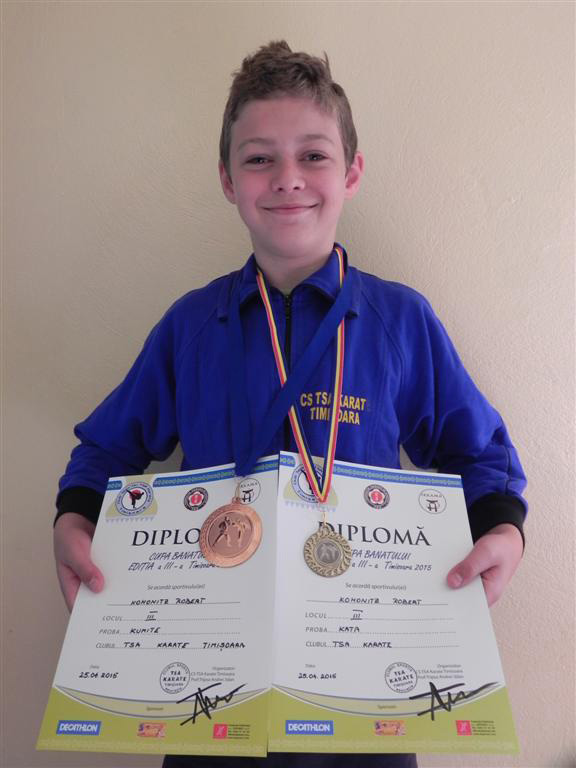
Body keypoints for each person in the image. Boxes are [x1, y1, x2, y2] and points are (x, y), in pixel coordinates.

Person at [53, 41, 527, 768]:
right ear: (226, 179)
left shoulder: (401, 321)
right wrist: (76, 519)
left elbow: (479, 453)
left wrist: (502, 531)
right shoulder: (191, 325)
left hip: (365, 696)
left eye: (313, 155)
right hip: (211, 691)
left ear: (352, 172)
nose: (287, 179)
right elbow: (107, 449)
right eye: (258, 159)